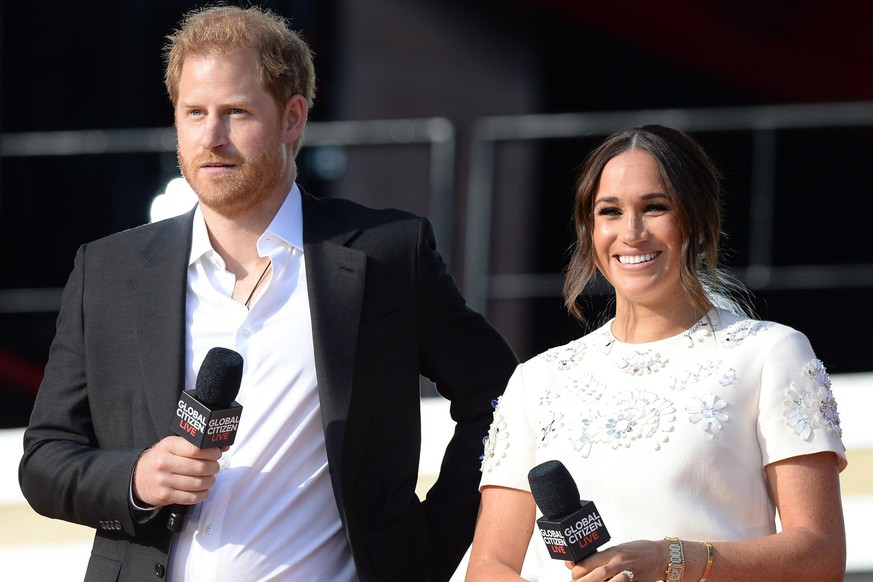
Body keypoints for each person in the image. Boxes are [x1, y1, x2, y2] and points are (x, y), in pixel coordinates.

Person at [19, 5, 518, 581]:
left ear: (293, 117)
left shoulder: (387, 253)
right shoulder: (108, 270)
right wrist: (136, 480)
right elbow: (46, 461)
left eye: (236, 112)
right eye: (195, 112)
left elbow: (503, 399)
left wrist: (422, 551)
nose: (212, 137)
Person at [465, 125, 847, 582]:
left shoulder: (769, 354)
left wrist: (671, 560)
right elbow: (490, 566)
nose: (631, 232)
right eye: (610, 211)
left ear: (698, 220)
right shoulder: (538, 380)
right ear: (590, 230)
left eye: (655, 207)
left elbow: (820, 555)